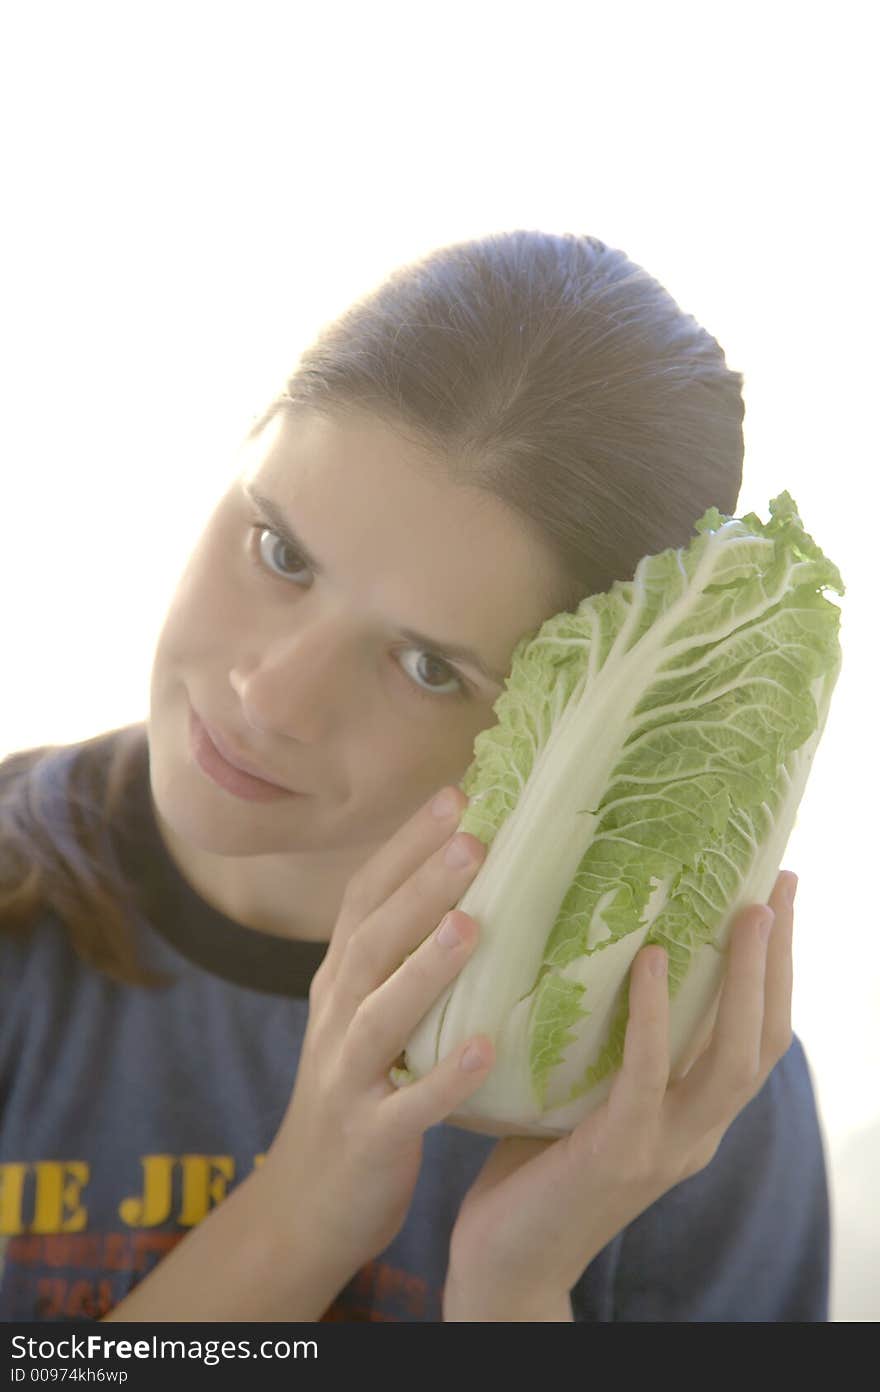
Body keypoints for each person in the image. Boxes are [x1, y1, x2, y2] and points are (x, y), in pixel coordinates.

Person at [0, 230, 830, 1322]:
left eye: (428, 666)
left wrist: (513, 1289)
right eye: (281, 552)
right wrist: (299, 1215)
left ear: (583, 730)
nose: (272, 697)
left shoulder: (662, 1098)